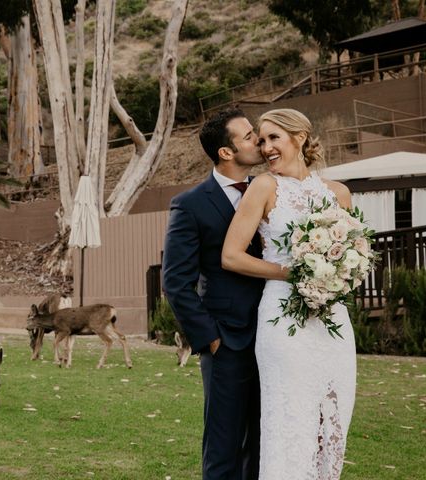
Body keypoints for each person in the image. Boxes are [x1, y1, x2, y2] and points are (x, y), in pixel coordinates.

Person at [221, 108, 357, 479]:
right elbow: (231, 255)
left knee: (333, 420)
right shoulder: (265, 187)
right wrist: (293, 273)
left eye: (273, 137)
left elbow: (353, 253)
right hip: (284, 321)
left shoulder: (339, 193)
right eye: (261, 140)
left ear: (299, 137)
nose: (265, 148)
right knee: (290, 421)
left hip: (332, 322)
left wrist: (339, 276)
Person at [162, 107, 268, 480]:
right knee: (223, 446)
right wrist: (210, 339)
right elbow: (175, 280)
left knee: (263, 443)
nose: (259, 140)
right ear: (226, 152)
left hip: (275, 337)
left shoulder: (271, 190)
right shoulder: (190, 204)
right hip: (227, 340)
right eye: (249, 135)